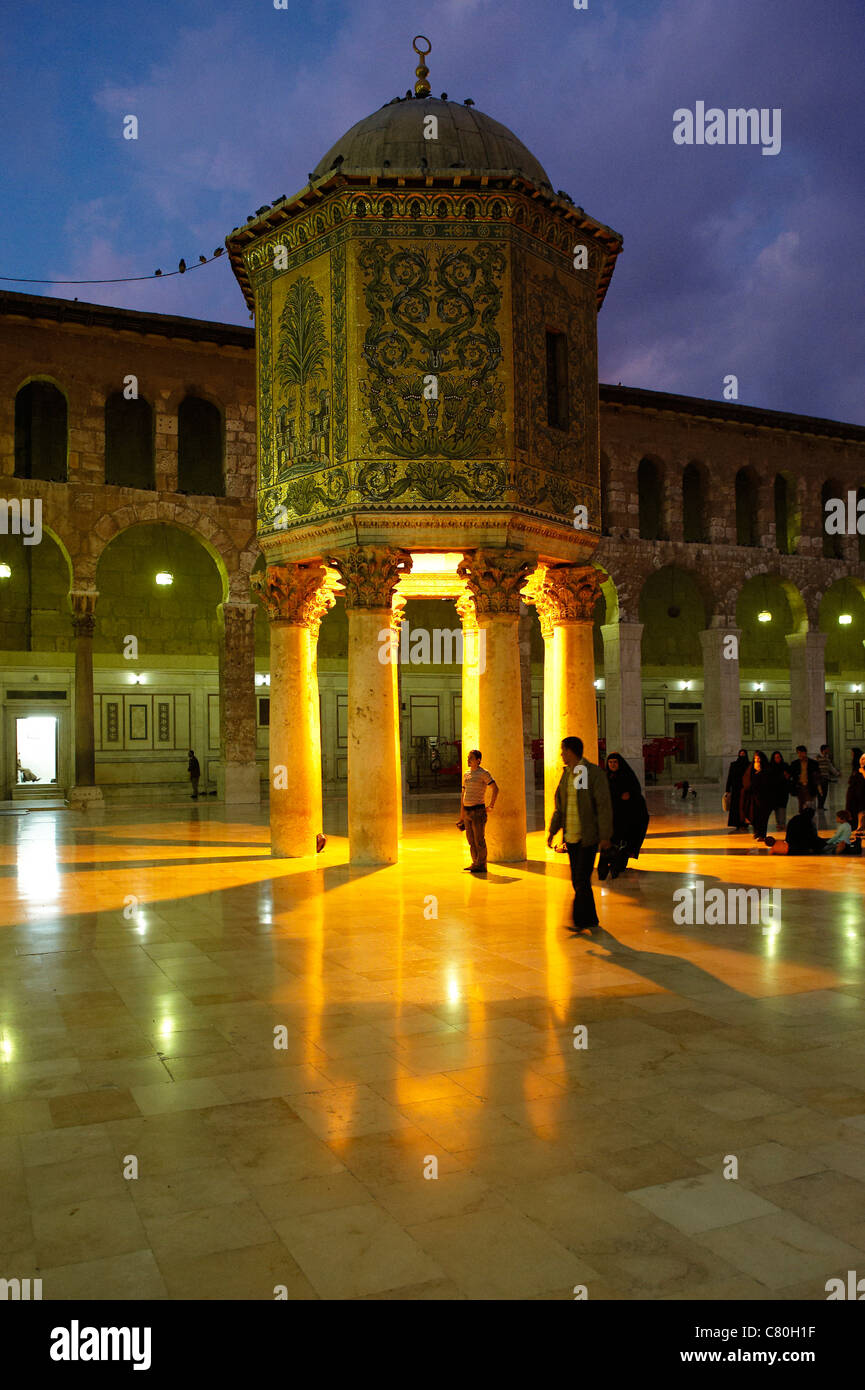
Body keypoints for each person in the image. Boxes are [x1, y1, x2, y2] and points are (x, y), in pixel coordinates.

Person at [547, 736, 613, 932]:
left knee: (581, 879)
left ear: (571, 751)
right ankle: (590, 919)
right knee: (579, 879)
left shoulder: (589, 773)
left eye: (563, 750)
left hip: (587, 836)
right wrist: (553, 830)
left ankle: (579, 920)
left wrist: (605, 836)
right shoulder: (568, 774)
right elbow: (561, 806)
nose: (561, 754)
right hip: (571, 837)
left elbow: (602, 806)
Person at [602, 752, 649, 878]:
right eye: (610, 762)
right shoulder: (606, 777)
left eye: (615, 762)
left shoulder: (627, 776)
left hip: (628, 815)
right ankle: (613, 862)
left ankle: (620, 863)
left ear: (620, 763)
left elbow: (635, 792)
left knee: (624, 840)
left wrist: (629, 795)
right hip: (613, 814)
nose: (612, 764)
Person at [459, 748, 497, 874]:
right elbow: (463, 793)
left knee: (479, 840)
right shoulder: (466, 774)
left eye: (471, 758)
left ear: (478, 760)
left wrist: (491, 805)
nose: (468, 760)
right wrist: (461, 815)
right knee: (471, 840)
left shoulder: (483, 773)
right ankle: (475, 862)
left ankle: (481, 864)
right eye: (468, 757)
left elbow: (495, 788)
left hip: (478, 811)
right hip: (467, 811)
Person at [741, 750, 774, 842]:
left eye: (758, 759)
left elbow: (769, 784)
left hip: (765, 799)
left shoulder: (767, 770)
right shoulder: (751, 769)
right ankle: (757, 832)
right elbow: (746, 781)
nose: (757, 761)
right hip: (753, 799)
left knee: (763, 817)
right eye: (755, 759)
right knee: (755, 816)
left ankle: (762, 834)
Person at [724, 750, 750, 830]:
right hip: (736, 790)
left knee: (745, 807)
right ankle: (737, 823)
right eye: (740, 754)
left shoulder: (749, 765)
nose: (742, 756)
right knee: (736, 807)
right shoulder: (734, 765)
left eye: (743, 754)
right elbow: (730, 777)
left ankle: (744, 823)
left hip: (746, 790)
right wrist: (727, 789)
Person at [816, 744, 840, 824]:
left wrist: (837, 773)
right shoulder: (818, 758)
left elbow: (830, 767)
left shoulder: (827, 759)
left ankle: (821, 806)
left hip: (825, 778)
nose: (828, 751)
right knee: (820, 793)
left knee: (825, 792)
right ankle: (820, 806)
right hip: (820, 779)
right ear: (823, 750)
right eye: (827, 749)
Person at [791, 745, 820, 812]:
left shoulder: (813, 763)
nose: (800, 754)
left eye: (801, 752)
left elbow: (817, 776)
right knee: (801, 806)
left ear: (805, 752)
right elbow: (792, 775)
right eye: (798, 753)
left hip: (810, 786)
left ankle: (810, 820)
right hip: (800, 787)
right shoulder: (795, 764)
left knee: (810, 806)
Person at [845, 751, 865, 847]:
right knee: (859, 811)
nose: (862, 761)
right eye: (862, 759)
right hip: (857, 795)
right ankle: (859, 828)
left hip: (862, 794)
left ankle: (860, 828)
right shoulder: (858, 770)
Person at [767, 751, 790, 830]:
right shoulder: (771, 767)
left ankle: (782, 823)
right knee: (776, 807)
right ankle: (779, 823)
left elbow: (788, 776)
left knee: (782, 807)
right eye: (776, 757)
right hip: (774, 791)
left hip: (783, 790)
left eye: (779, 757)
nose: (778, 759)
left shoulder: (785, 765)